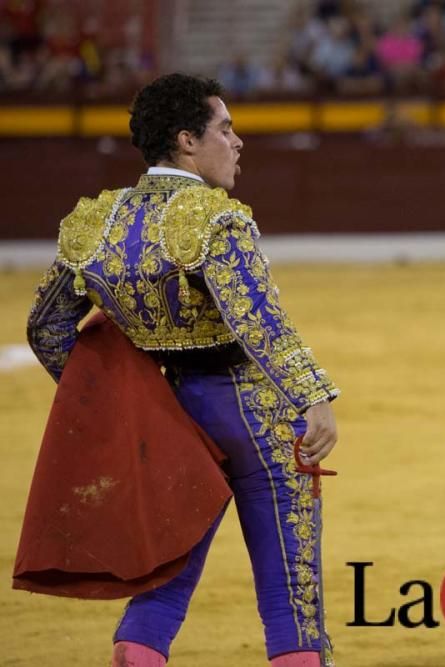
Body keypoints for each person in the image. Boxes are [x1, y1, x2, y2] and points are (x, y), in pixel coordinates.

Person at [23, 73, 340, 667]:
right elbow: (258, 323)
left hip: (170, 418)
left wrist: (124, 404)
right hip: (254, 418)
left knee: (168, 569)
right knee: (288, 587)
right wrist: (313, 395)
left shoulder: (98, 224)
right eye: (226, 128)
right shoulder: (214, 218)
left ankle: (137, 654)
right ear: (187, 141)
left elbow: (46, 329)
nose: (238, 142)